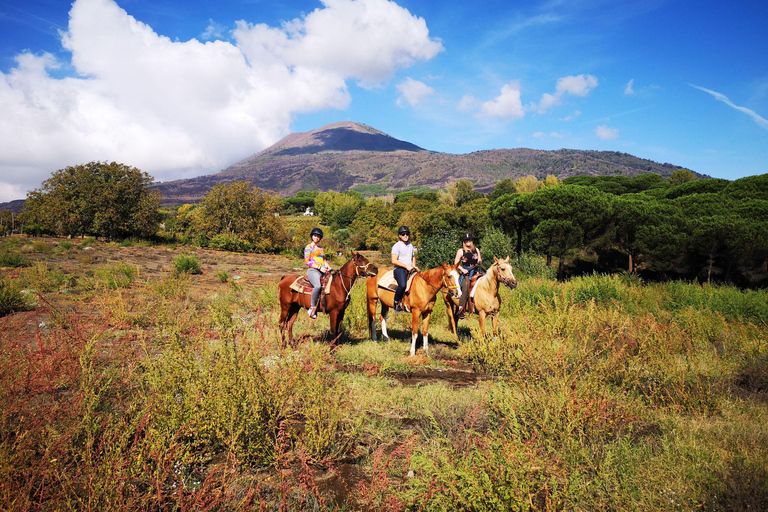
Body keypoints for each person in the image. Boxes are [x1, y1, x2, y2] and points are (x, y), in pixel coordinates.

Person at [454, 232, 482, 319]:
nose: (468, 242)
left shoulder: (476, 249)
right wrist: (462, 269)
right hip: (466, 271)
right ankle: (461, 310)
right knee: (465, 288)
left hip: (476, 269)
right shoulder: (460, 251)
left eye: (469, 240)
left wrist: (479, 261)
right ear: (464, 242)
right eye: (466, 240)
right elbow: (456, 264)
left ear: (472, 240)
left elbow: (480, 259)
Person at [304, 227, 330, 319]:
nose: (316, 238)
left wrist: (327, 266)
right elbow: (307, 261)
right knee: (318, 286)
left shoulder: (320, 249)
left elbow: (324, 260)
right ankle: (312, 307)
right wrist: (319, 267)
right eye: (315, 236)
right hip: (313, 271)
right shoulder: (308, 247)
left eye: (318, 236)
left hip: (322, 271)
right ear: (312, 236)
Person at [391, 225, 417, 313]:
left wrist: (414, 266)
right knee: (402, 285)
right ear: (399, 235)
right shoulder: (396, 246)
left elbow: (413, 257)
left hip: (410, 268)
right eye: (403, 234)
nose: (405, 236)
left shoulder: (410, 245)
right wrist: (406, 266)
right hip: (400, 269)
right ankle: (396, 302)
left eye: (407, 234)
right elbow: (394, 260)